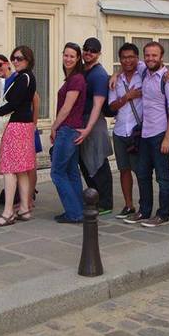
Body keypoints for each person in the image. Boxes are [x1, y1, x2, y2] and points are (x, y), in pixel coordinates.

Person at [122, 41, 169, 227]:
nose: (150, 58)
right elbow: (128, 64)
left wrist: (168, 138)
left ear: (161, 57)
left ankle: (163, 215)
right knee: (142, 174)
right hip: (146, 134)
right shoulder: (144, 71)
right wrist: (115, 75)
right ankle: (144, 211)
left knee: (162, 176)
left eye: (154, 55)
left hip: (162, 133)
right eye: (147, 55)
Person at [0, 46, 37, 227]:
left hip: (16, 126)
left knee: (8, 169)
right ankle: (24, 208)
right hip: (24, 125)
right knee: (21, 169)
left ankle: (8, 212)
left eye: (19, 58)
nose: (15, 61)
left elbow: (12, 104)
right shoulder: (27, 77)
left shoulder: (23, 77)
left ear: (28, 59)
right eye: (13, 58)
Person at [76, 37, 114, 215]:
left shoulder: (98, 74)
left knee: (98, 162)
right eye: (86, 49)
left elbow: (98, 105)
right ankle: (95, 198)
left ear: (99, 54)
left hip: (93, 122)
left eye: (93, 50)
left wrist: (88, 128)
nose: (88, 52)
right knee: (86, 162)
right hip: (83, 121)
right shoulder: (84, 70)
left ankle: (105, 203)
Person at [50, 42, 87, 223]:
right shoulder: (72, 78)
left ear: (78, 58)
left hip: (67, 129)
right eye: (66, 55)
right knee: (71, 171)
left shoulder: (76, 79)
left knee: (57, 172)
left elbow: (67, 107)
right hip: (71, 129)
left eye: (72, 56)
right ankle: (78, 210)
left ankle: (74, 212)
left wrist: (54, 127)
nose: (68, 59)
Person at [109, 43, 144, 219]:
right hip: (120, 130)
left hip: (138, 131)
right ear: (120, 59)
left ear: (137, 58)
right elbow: (112, 105)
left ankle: (144, 207)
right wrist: (127, 97)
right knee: (124, 169)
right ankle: (128, 205)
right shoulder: (117, 80)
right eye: (124, 57)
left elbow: (161, 68)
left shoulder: (144, 72)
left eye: (131, 57)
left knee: (141, 170)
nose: (128, 60)